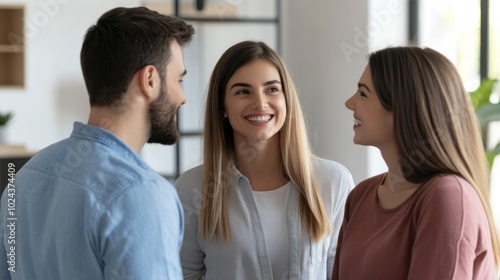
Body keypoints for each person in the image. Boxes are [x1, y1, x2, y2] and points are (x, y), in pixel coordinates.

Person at [0, 7, 194, 280]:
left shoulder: (23, 180)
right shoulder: (142, 194)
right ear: (149, 80)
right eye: (179, 80)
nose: (183, 97)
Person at [175, 40, 354, 280]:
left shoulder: (333, 181)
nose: (260, 103)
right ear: (222, 107)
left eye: (272, 89)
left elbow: (341, 273)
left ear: (286, 99)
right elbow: (186, 275)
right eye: (243, 91)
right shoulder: (192, 187)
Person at [333, 46, 500, 279]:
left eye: (363, 93)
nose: (350, 103)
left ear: (403, 105)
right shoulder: (360, 196)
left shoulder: (448, 197)